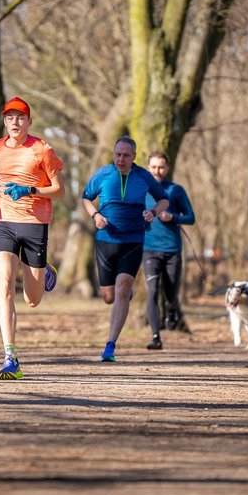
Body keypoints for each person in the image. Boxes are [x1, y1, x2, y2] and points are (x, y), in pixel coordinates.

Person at [0, 97, 64, 380]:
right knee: (4, 283)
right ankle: (10, 356)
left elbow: (59, 190)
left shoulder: (42, 149)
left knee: (32, 300)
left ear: (29, 122)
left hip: (35, 224)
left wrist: (30, 190)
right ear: (4, 121)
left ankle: (45, 270)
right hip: (4, 222)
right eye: (10, 117)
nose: (15, 122)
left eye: (20, 117)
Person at [81, 136, 168, 362]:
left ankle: (110, 346)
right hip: (106, 240)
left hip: (133, 240)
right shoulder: (103, 174)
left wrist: (153, 212)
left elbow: (164, 200)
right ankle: (122, 293)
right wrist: (95, 215)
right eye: (117, 154)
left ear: (134, 157)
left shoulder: (143, 176)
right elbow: (86, 198)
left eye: (126, 155)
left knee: (122, 289)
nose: (120, 159)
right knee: (109, 296)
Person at [142, 151, 196, 350]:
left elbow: (191, 217)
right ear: (148, 168)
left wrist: (173, 217)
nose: (157, 171)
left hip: (172, 249)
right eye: (154, 167)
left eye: (161, 167)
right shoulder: (140, 189)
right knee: (152, 291)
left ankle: (171, 307)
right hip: (148, 248)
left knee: (170, 292)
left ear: (167, 168)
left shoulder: (176, 190)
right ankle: (156, 337)